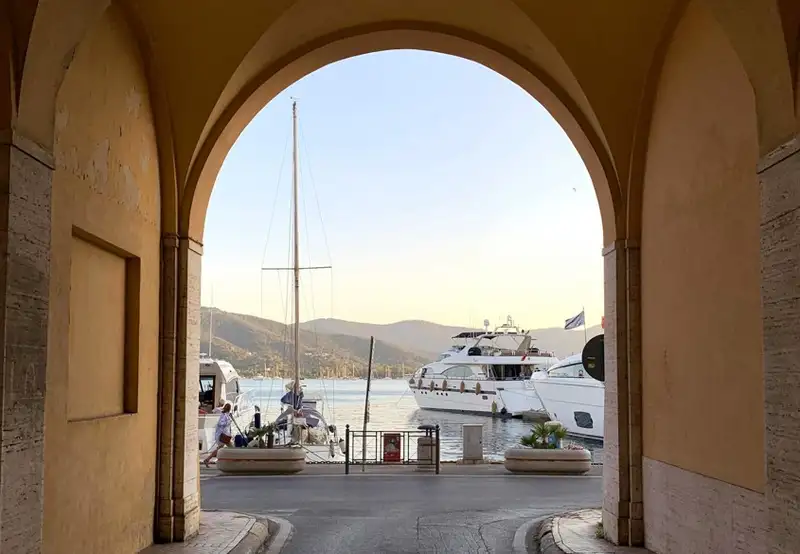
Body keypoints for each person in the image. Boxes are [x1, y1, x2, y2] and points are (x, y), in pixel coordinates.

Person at [202, 403, 232, 468]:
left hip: (224, 435)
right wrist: (228, 422)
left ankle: (207, 459)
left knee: (222, 448)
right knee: (231, 448)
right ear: (229, 409)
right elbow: (220, 423)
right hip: (223, 435)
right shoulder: (224, 415)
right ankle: (230, 462)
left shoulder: (226, 415)